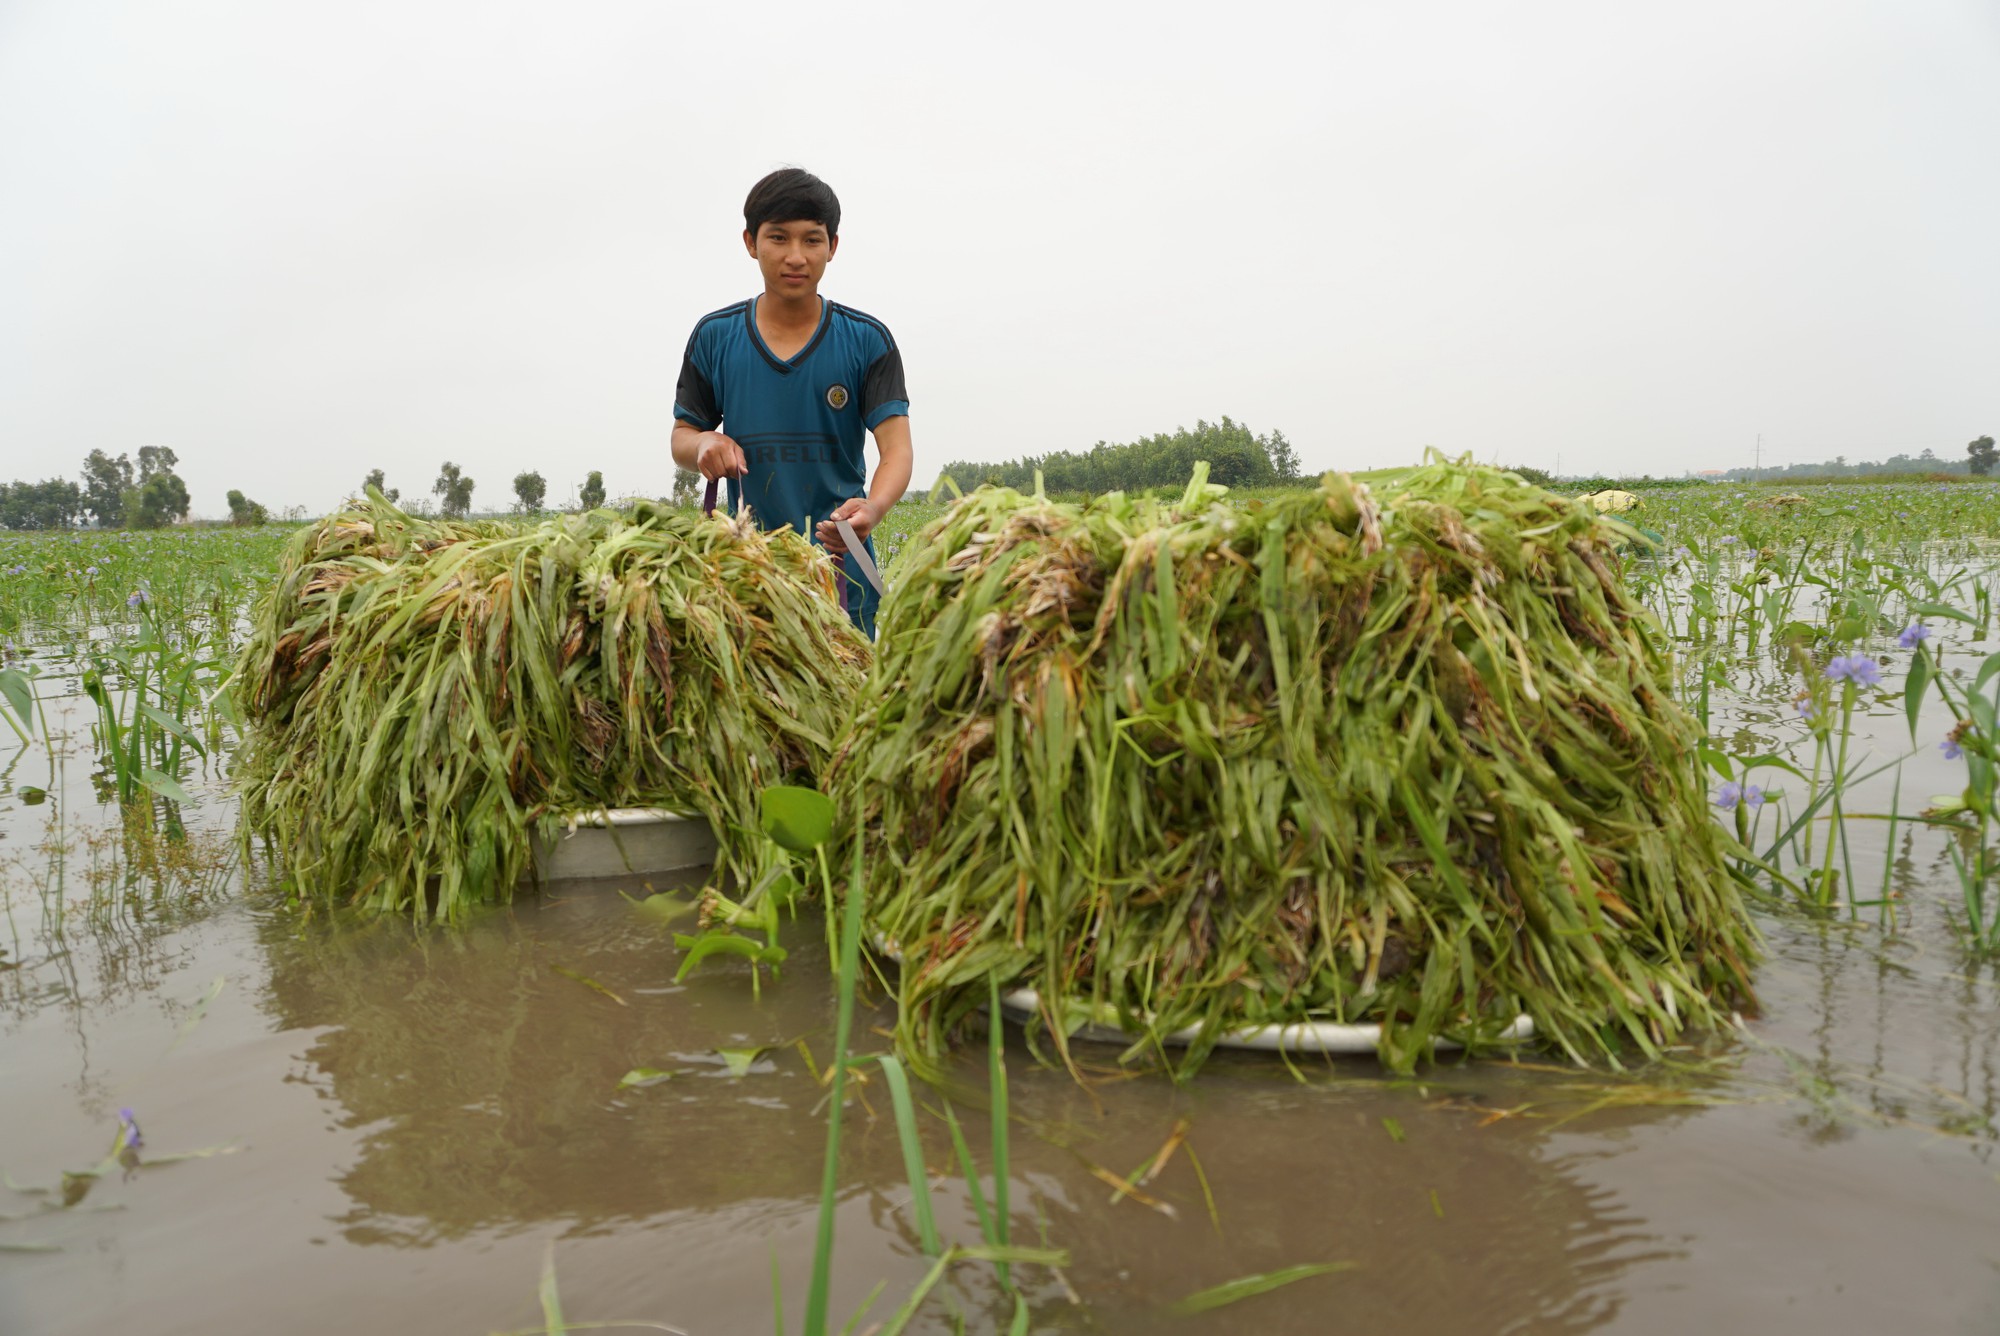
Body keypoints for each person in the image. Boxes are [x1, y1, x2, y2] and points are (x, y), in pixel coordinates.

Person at [669, 167, 912, 636]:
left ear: (833, 247)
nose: (795, 257)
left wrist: (875, 508)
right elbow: (682, 437)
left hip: (842, 568)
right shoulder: (715, 337)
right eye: (778, 238)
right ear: (750, 242)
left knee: (848, 701)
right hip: (745, 573)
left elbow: (897, 450)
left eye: (812, 240)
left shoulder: (867, 340)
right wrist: (703, 445)